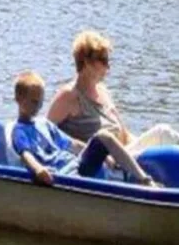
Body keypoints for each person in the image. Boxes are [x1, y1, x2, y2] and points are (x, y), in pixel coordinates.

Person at [12, 71, 158, 188]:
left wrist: (104, 155)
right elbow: (26, 155)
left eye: (41, 102)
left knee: (103, 136)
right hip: (62, 175)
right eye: (34, 101)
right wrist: (38, 170)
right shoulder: (19, 131)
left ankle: (145, 180)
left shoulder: (45, 124)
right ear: (19, 99)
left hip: (76, 165)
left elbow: (72, 144)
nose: (38, 106)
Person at [47, 30, 179, 155]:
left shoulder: (103, 92)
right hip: (99, 164)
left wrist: (147, 146)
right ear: (87, 62)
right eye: (104, 60)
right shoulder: (69, 96)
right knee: (163, 132)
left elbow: (125, 136)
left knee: (164, 135)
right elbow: (43, 133)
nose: (108, 67)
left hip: (124, 159)